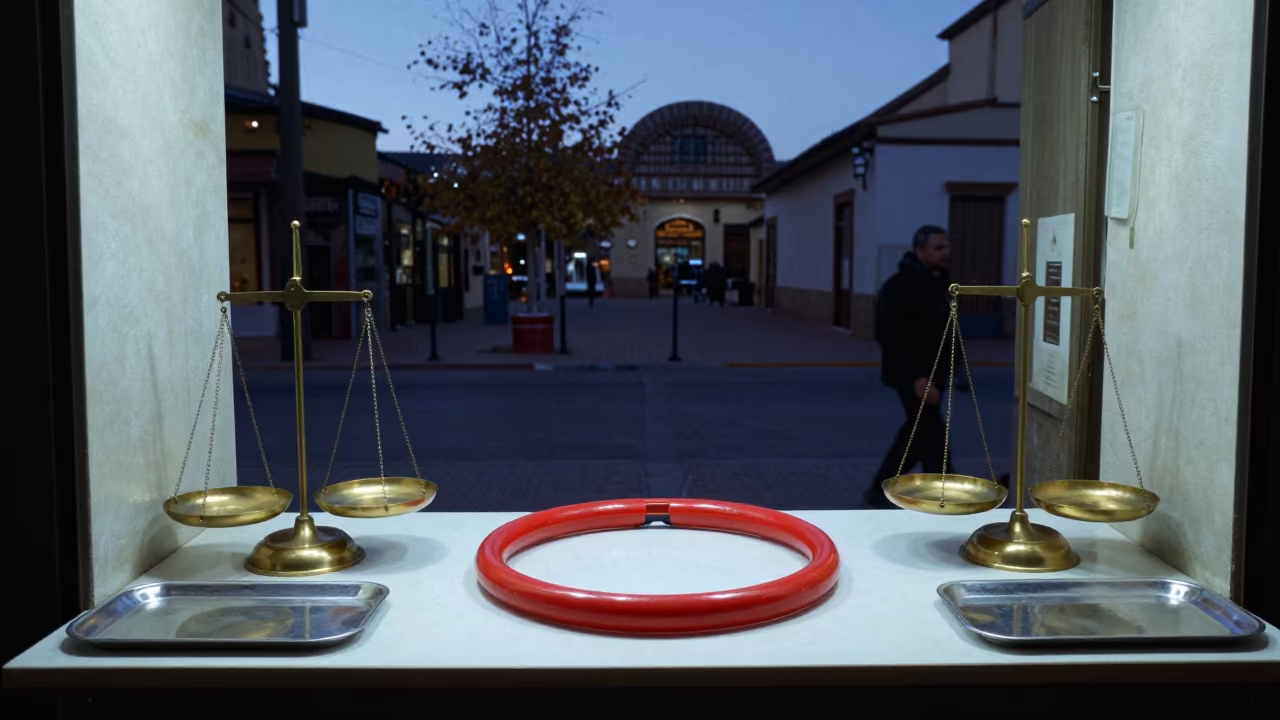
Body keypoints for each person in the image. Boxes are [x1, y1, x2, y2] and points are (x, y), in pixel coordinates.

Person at [866, 225, 957, 509]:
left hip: (935, 373)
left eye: (946, 247)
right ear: (920, 251)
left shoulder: (940, 281)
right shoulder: (899, 286)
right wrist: (915, 378)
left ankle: (886, 489)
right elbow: (889, 337)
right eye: (938, 248)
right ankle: (944, 488)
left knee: (920, 433)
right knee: (930, 429)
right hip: (913, 375)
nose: (945, 253)